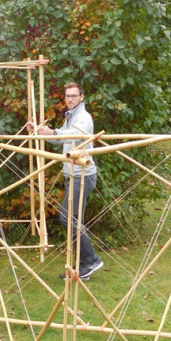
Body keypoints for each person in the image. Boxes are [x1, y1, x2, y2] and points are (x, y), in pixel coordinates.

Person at [32, 82, 103, 281]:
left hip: (83, 175)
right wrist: (42, 131)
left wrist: (54, 133)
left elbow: (74, 135)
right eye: (67, 96)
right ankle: (82, 267)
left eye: (73, 96)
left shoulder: (84, 118)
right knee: (74, 220)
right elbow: (61, 139)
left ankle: (91, 260)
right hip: (72, 175)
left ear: (82, 97)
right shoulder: (71, 117)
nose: (69, 99)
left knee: (68, 219)